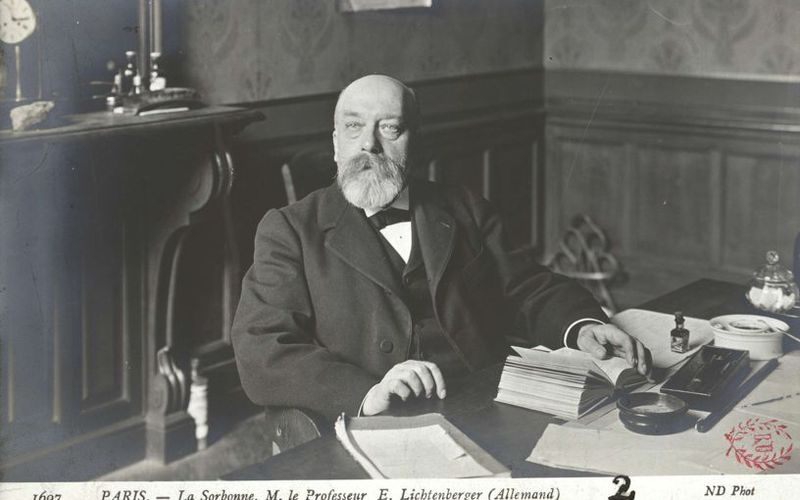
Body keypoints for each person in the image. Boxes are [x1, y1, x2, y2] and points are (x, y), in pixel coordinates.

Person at [231, 74, 650, 421]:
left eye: (390, 127)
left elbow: (525, 286)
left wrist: (580, 326)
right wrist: (365, 394)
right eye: (354, 126)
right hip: (372, 417)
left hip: (485, 401)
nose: (369, 145)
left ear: (416, 141)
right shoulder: (288, 230)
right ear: (336, 140)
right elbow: (263, 347)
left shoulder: (464, 207)